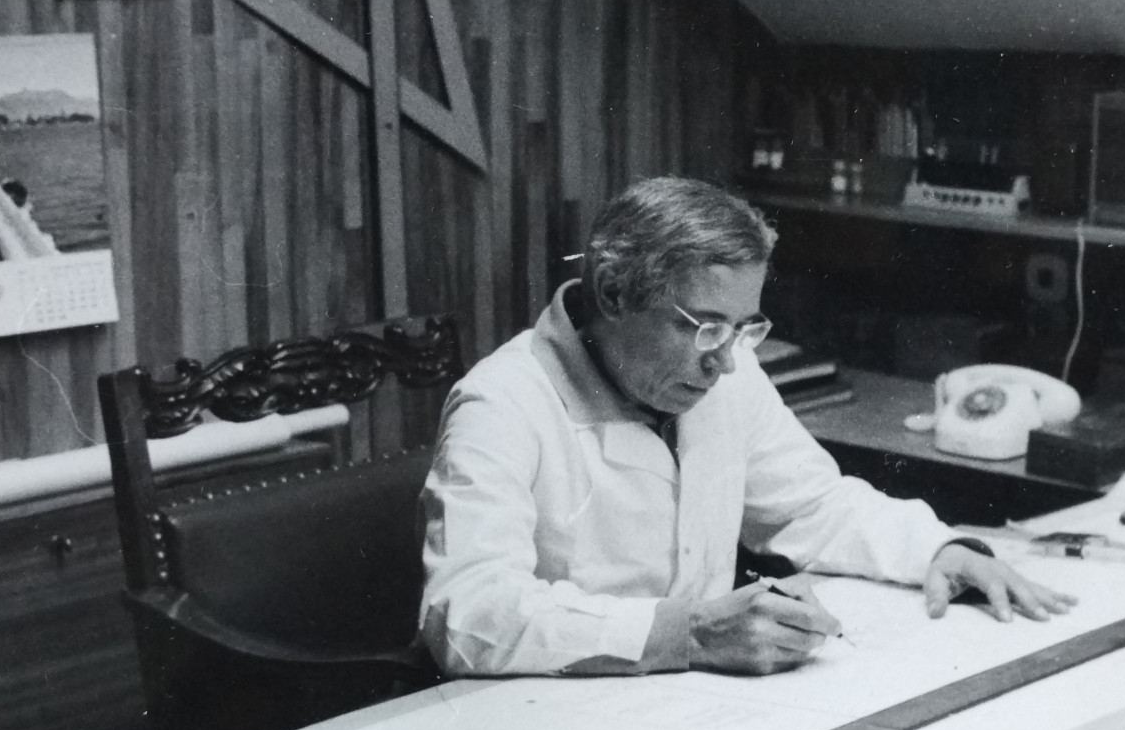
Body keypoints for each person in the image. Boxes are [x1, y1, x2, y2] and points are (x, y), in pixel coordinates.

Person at [419, 177, 1074, 677]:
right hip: (551, 718)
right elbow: (468, 613)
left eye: (742, 327)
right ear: (614, 294)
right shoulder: (502, 403)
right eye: (704, 326)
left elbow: (812, 506)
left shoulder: (725, 371)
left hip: (691, 703)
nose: (726, 359)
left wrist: (938, 548)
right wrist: (686, 634)